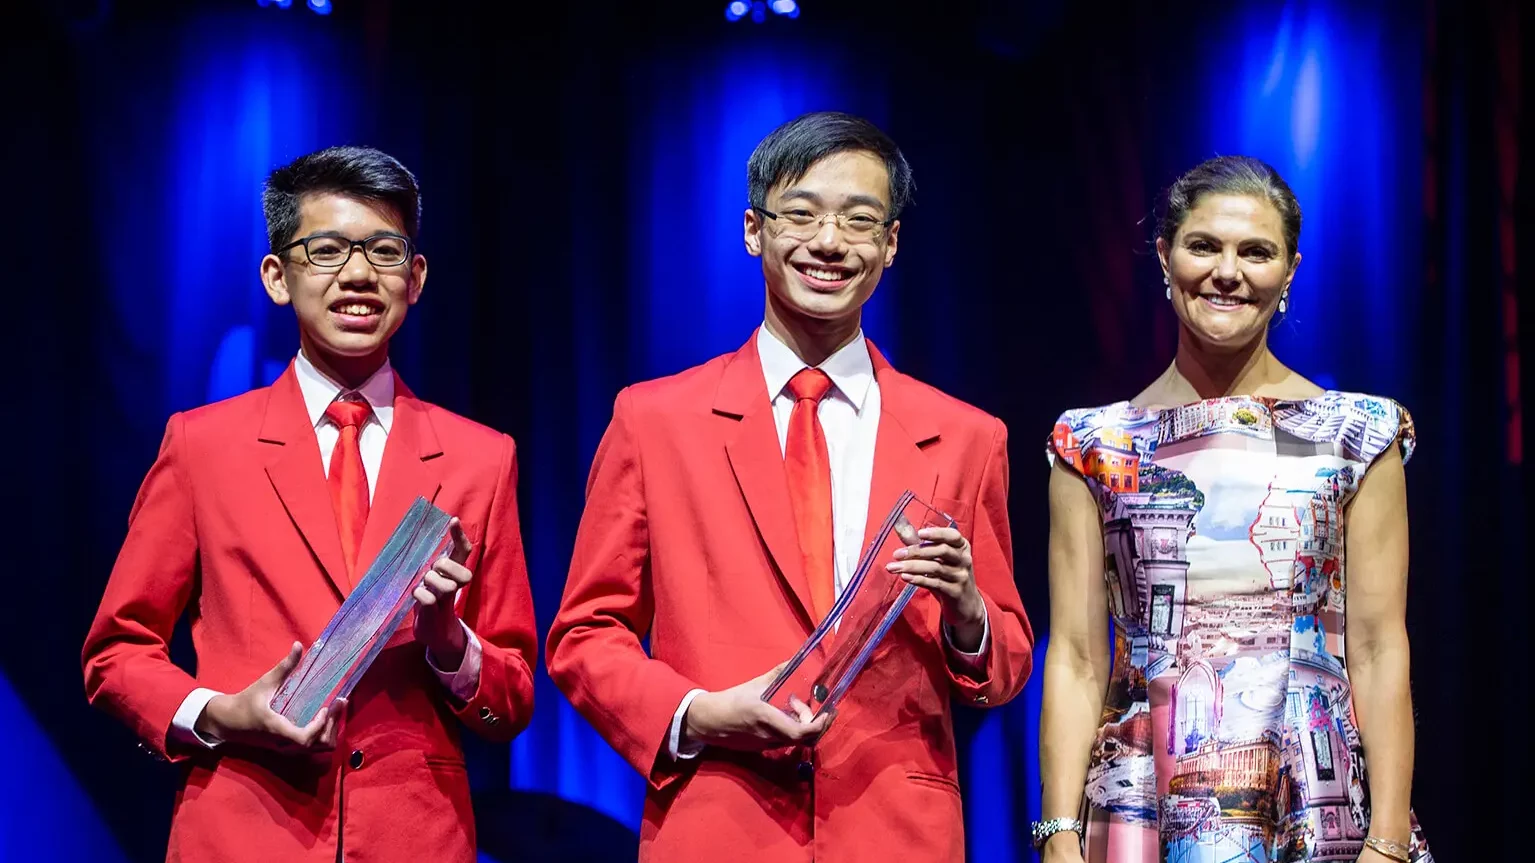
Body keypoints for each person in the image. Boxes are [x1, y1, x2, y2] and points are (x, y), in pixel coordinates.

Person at [545, 111, 1034, 861]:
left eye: (859, 220)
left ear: (891, 244)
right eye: (801, 214)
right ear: (753, 230)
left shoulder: (966, 436)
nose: (829, 242)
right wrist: (698, 711)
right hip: (716, 822)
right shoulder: (655, 420)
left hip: (896, 831)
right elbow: (585, 633)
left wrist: (967, 613)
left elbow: (1003, 665)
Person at [82, 146, 538, 863]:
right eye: (325, 250)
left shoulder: (481, 457)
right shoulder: (204, 446)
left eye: (384, 251)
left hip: (415, 838)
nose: (357, 275)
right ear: (276, 276)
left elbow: (509, 700)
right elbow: (115, 651)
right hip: (241, 832)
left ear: (414, 279)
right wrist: (222, 713)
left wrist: (449, 642)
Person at [1035, 155, 1433, 862]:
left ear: (1288, 270)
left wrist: (1388, 839)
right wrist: (1059, 834)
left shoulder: (1356, 433)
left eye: (1255, 252)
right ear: (1164, 257)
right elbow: (1071, 656)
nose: (1228, 271)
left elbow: (1377, 648)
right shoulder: (1091, 443)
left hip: (1314, 801)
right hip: (1138, 802)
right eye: (1203, 246)